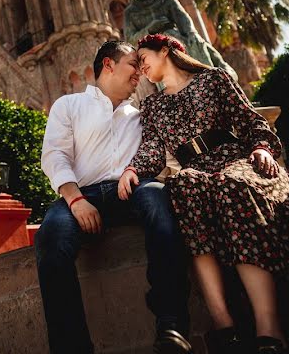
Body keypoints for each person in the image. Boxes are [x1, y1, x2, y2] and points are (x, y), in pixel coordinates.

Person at [118, 34, 289, 354]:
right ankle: (224, 326)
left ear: (166, 51)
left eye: (144, 57)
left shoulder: (213, 79)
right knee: (183, 188)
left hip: (233, 159)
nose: (140, 66)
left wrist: (263, 148)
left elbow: (250, 119)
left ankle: (269, 326)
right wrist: (132, 170)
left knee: (229, 186)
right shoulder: (152, 105)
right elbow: (152, 150)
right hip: (193, 170)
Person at [35, 40, 192, 354]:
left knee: (159, 203)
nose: (140, 74)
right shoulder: (69, 105)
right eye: (133, 65)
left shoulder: (142, 115)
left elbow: (162, 155)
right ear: (108, 64)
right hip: (83, 194)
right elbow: (55, 156)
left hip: (132, 190)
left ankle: (171, 325)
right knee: (50, 238)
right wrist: (75, 200)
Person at [123, 0, 237, 81]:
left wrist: (191, 33)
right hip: (153, 50)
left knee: (197, 43)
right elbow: (130, 40)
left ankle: (215, 77)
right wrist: (150, 29)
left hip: (175, 38)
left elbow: (183, 19)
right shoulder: (130, 12)